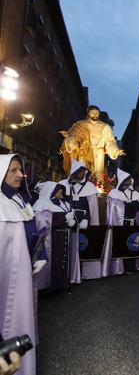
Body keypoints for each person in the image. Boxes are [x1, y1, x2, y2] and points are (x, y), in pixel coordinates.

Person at [0, 154, 42, 375]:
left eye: (20, 170)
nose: (20, 174)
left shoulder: (20, 199)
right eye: (13, 170)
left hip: (24, 272)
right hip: (7, 276)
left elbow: (33, 229)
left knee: (22, 317)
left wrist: (39, 254)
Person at [33, 181, 79, 291]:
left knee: (63, 262)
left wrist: (74, 222)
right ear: (52, 191)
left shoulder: (64, 204)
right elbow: (43, 221)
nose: (61, 191)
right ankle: (49, 286)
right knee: (54, 262)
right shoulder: (41, 204)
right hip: (53, 240)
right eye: (58, 189)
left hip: (65, 238)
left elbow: (72, 217)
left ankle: (62, 283)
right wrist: (64, 218)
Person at [58, 159, 99, 280]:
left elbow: (92, 208)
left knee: (83, 247)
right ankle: (69, 272)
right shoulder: (64, 185)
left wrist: (87, 219)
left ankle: (84, 272)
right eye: (80, 172)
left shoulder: (90, 187)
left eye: (83, 172)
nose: (82, 174)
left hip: (84, 223)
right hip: (68, 221)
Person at [59, 105, 125, 179]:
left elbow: (110, 141)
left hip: (98, 154)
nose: (95, 115)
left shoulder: (105, 127)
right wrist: (69, 138)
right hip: (85, 151)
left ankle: (95, 187)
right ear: (88, 113)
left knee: (97, 175)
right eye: (93, 112)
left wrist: (115, 151)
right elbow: (74, 134)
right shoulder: (81, 124)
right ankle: (80, 184)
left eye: (97, 113)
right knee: (82, 171)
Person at [105, 168, 139, 273]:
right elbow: (114, 210)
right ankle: (120, 268)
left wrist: (128, 204)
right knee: (122, 246)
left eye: (130, 178)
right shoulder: (114, 194)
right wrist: (129, 204)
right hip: (122, 224)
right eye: (127, 178)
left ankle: (131, 267)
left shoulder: (134, 193)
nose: (130, 180)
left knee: (132, 245)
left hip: (132, 224)